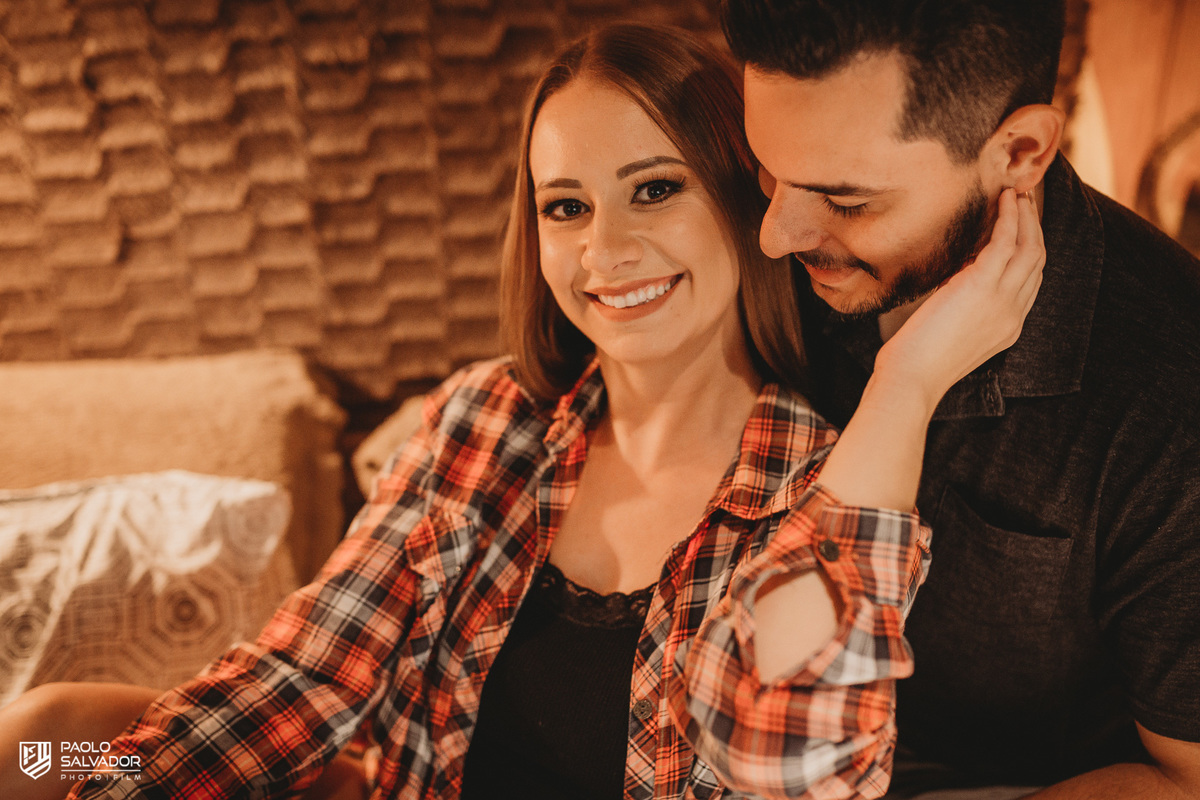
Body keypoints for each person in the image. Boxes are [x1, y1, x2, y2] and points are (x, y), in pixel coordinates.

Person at [5, 23, 1040, 800]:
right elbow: (304, 678)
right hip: (371, 778)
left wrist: (909, 384)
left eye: (653, 189)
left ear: (743, 197)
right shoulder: (484, 417)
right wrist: (103, 780)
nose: (604, 250)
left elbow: (790, 770)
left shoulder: (823, 484)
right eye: (566, 205)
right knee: (38, 738)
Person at [719, 1, 1200, 798]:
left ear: (1018, 152)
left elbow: (1186, 779)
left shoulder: (1172, 402)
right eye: (767, 166)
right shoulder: (777, 246)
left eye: (845, 199)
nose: (775, 234)